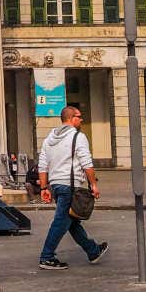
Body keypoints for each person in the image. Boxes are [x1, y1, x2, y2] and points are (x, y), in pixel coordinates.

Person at [36, 106, 107, 270]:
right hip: (70, 186)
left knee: (72, 221)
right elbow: (86, 162)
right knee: (61, 222)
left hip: (56, 185)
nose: (81, 119)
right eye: (79, 116)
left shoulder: (49, 139)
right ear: (70, 118)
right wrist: (93, 184)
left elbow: (43, 165)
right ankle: (46, 257)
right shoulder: (78, 137)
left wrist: (44, 187)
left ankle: (93, 251)